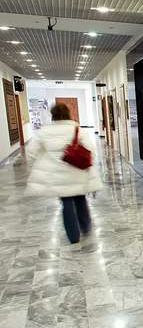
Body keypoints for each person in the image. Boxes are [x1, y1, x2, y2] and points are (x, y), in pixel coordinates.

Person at [26, 103, 103, 243]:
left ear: (52, 115)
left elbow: (31, 152)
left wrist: (45, 158)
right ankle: (85, 227)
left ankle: (73, 236)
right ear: (69, 114)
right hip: (77, 172)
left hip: (57, 176)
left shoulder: (44, 132)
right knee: (80, 199)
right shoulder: (78, 129)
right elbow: (91, 149)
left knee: (66, 202)